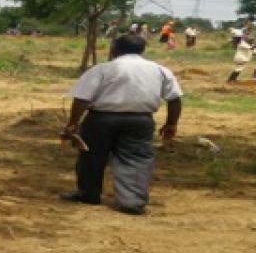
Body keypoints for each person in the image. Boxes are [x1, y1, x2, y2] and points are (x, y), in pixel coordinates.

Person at [59, 34, 182, 215]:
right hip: (140, 121)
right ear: (142, 50)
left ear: (114, 49)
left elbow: (82, 98)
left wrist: (72, 124)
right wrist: (171, 124)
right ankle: (132, 201)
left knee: (91, 156)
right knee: (136, 159)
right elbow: (174, 99)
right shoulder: (160, 70)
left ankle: (88, 194)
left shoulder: (103, 69)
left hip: (101, 119)